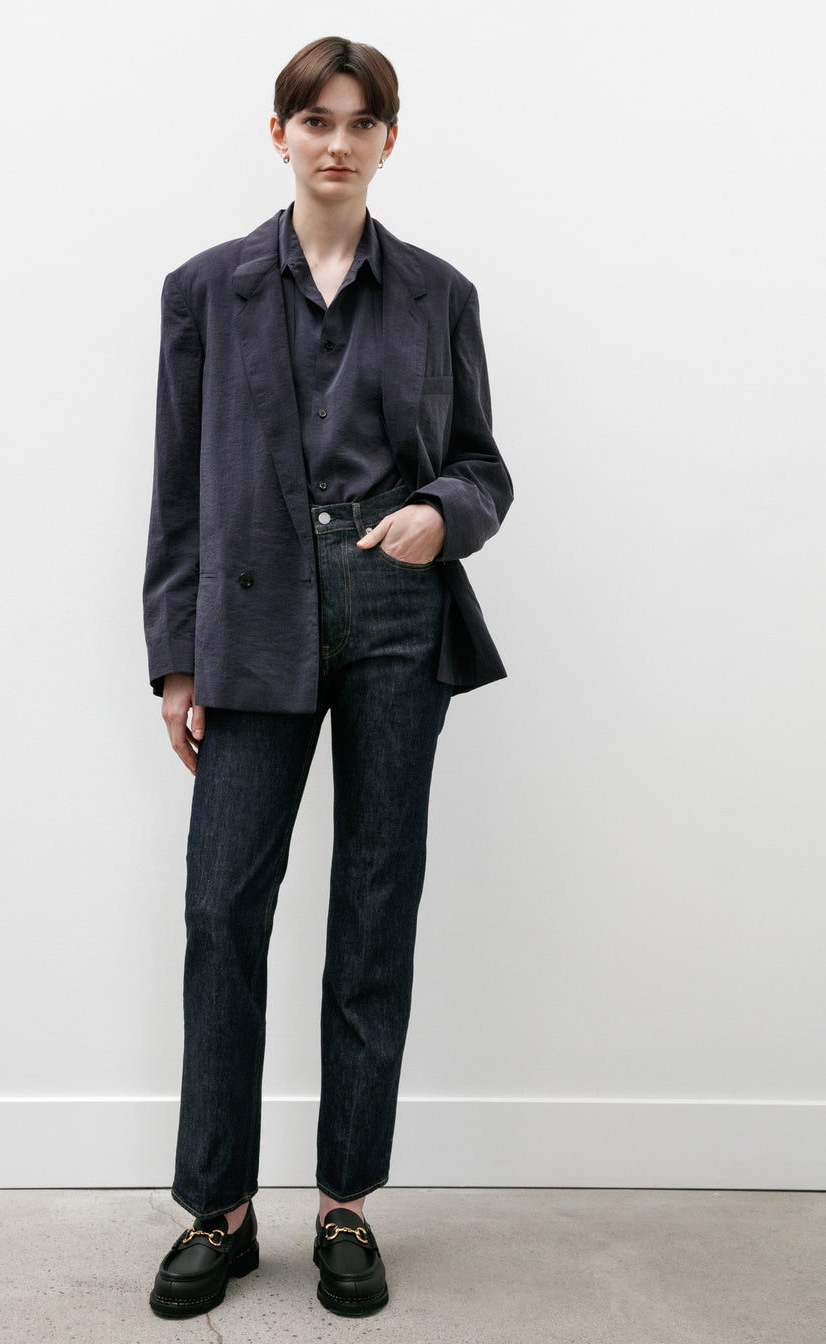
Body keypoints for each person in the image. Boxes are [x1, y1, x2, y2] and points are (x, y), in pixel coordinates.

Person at [143, 36, 513, 1319]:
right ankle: (219, 1209)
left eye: (361, 122)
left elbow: (482, 465)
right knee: (220, 910)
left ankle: (345, 1201)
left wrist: (439, 516)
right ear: (280, 134)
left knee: (373, 905)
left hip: (395, 607)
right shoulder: (206, 290)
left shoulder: (438, 294)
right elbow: (177, 486)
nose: (337, 142)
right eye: (316, 119)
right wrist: (174, 660)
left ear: (388, 140)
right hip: (250, 619)